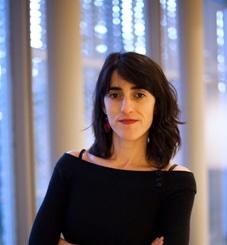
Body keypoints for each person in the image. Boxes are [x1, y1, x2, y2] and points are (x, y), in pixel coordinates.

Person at [28, 52, 196, 245]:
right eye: (115, 95)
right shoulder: (71, 166)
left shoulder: (176, 181)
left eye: (139, 95)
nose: (126, 107)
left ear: (156, 105)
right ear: (102, 104)